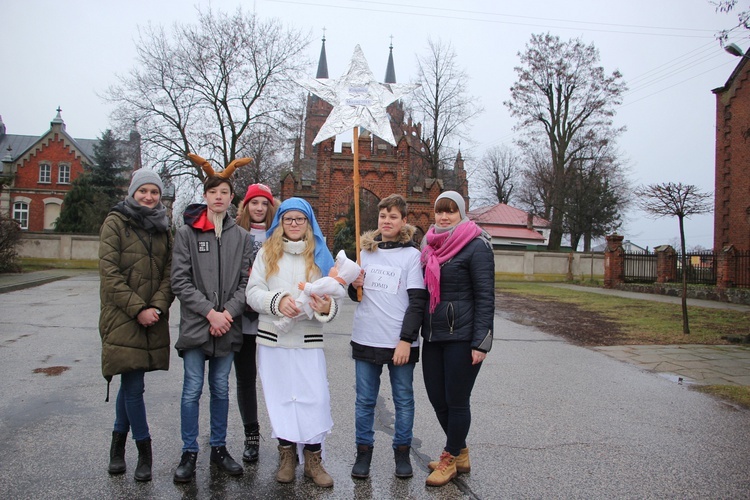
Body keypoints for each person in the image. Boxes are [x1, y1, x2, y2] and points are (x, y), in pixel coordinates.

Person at [245, 197, 338, 488]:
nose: (294, 224)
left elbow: (334, 300)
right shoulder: (266, 254)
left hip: (308, 340)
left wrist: (325, 308)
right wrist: (278, 301)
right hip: (274, 339)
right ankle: (286, 455)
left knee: (315, 399)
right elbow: (252, 292)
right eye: (288, 219)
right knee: (281, 398)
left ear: (308, 224)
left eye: (300, 219)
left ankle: (313, 458)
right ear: (280, 222)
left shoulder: (321, 256)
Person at [170, 157, 253, 483]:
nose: (219, 197)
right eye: (213, 192)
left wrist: (228, 314)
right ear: (204, 197)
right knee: (192, 389)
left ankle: (218, 448)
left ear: (232, 198)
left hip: (227, 327)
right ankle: (189, 451)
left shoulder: (242, 237)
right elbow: (180, 281)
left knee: (220, 388)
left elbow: (248, 284)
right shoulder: (187, 233)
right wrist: (210, 313)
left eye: (224, 192)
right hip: (197, 325)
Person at [98, 169, 174, 482]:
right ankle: (144, 450)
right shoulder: (115, 221)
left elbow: (170, 273)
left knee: (130, 380)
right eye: (143, 191)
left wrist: (156, 305)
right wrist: (138, 308)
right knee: (133, 385)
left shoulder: (164, 228)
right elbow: (109, 272)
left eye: (154, 192)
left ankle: (116, 447)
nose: (149, 197)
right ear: (133, 192)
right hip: (122, 314)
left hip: (152, 315)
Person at [348, 194, 428, 480]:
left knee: (403, 399)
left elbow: (417, 302)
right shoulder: (365, 252)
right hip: (366, 337)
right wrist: (353, 285)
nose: (387, 221)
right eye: (383, 216)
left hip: (399, 344)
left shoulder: (412, 256)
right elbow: (356, 295)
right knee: (364, 401)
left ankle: (402, 453)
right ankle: (363, 454)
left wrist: (406, 339)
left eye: (393, 216)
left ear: (404, 221)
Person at [420, 190, 495, 487]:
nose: (444, 216)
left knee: (457, 400)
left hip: (462, 337)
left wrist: (481, 341)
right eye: (440, 211)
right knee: (438, 398)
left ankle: (449, 458)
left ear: (461, 213)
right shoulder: (429, 245)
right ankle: (460, 452)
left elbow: (485, 298)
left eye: (450, 211)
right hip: (434, 335)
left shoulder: (477, 246)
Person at [233, 183, 278, 463]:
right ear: (246, 206)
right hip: (243, 318)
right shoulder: (235, 234)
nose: (259, 208)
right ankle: (251, 436)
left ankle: (286, 438)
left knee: (277, 381)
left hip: (271, 318)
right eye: (254, 203)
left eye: (264, 203)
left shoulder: (279, 234)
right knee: (245, 380)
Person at [274, 249, 360, 332]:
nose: (331, 267)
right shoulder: (340, 290)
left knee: (294, 311)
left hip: (307, 301)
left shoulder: (331, 282)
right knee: (296, 316)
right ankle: (285, 324)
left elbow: (318, 289)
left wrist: (306, 287)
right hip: (312, 306)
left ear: (342, 273)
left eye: (335, 267)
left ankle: (283, 324)